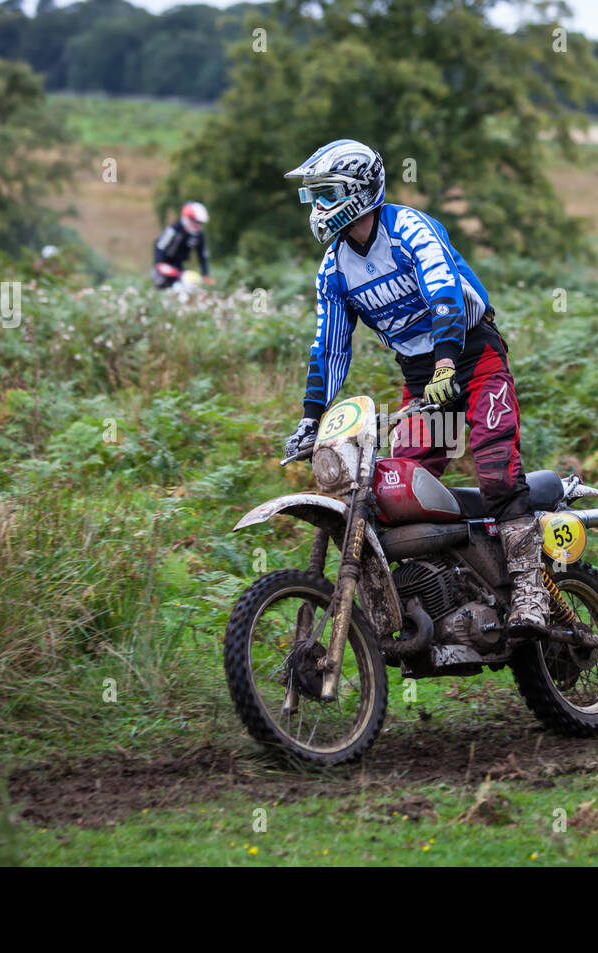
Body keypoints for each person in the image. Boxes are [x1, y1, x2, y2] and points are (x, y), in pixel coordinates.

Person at [280, 139, 548, 634]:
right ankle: (447, 591)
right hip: (423, 380)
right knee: (403, 488)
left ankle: (531, 590)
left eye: (326, 193)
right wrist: (310, 417)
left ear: (357, 191)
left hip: (473, 356)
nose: (317, 207)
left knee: (495, 467)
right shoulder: (334, 269)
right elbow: (330, 347)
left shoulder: (410, 229)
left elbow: (444, 292)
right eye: (312, 196)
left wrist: (448, 364)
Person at [152, 201, 215, 289]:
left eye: (200, 223)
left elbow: (203, 256)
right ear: (187, 218)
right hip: (165, 265)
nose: (198, 225)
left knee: (186, 286)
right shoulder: (173, 230)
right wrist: (159, 264)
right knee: (162, 284)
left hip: (179, 266)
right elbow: (160, 246)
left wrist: (205, 275)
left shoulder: (199, 235)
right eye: (195, 221)